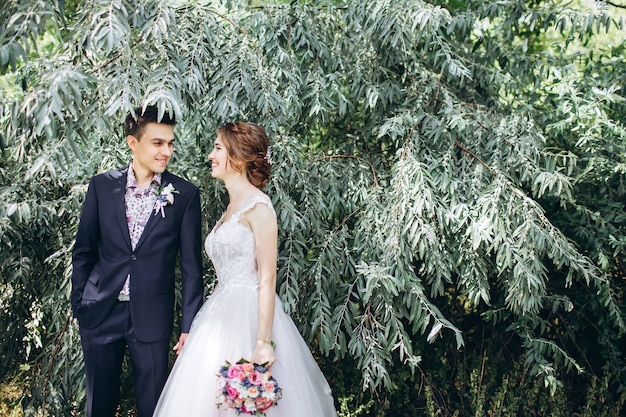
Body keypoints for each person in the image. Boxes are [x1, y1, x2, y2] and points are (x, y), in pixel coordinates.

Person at [153, 122, 338, 416]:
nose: (210, 156)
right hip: (216, 317)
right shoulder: (230, 209)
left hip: (249, 317)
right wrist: (197, 327)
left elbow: (268, 278)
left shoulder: (259, 208)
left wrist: (263, 342)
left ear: (237, 157)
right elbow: (224, 273)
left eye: (217, 148)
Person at [70, 106, 205, 417]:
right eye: (158, 143)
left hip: (152, 316)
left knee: (154, 406)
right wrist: (80, 303)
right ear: (133, 143)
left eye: (170, 143)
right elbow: (84, 250)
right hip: (100, 312)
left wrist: (188, 325)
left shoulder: (184, 194)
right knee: (99, 406)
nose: (167, 151)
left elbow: (191, 268)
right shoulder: (102, 186)